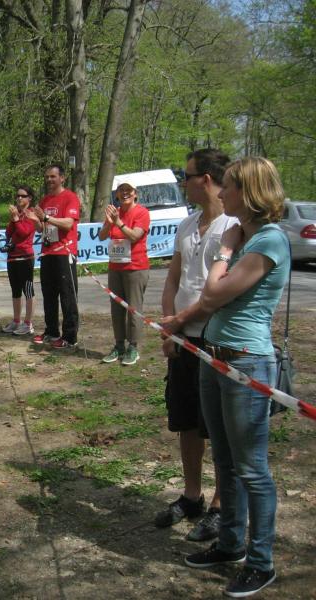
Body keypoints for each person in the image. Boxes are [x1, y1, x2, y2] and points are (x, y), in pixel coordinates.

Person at [162, 157, 289, 598]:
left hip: (245, 364)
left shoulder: (268, 240)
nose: (223, 191)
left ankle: (261, 562)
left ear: (249, 192)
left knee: (253, 469)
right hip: (212, 357)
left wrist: (225, 249)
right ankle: (231, 544)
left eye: (230, 185)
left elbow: (213, 292)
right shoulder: (245, 236)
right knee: (226, 461)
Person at [156, 149, 236, 541]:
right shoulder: (187, 224)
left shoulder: (234, 226)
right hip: (183, 336)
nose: (182, 183)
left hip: (216, 339)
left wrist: (180, 320)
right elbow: (174, 278)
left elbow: (222, 292)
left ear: (205, 179)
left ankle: (221, 505)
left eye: (185, 177)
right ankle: (192, 496)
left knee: (217, 426)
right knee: (186, 418)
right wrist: (170, 325)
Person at [98, 177, 150, 365]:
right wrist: (109, 223)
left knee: (133, 308)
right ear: (117, 194)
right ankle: (119, 345)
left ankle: (133, 347)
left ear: (135, 193)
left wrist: (118, 222)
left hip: (135, 267)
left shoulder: (142, 212)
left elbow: (135, 236)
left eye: (128, 190)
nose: (125, 193)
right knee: (116, 309)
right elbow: (102, 236)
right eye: (121, 190)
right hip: (115, 267)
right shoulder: (115, 212)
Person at [32, 164, 81, 349]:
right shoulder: (45, 200)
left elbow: (68, 224)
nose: (49, 180)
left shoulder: (70, 197)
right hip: (47, 252)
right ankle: (52, 331)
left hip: (64, 252)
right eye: (47, 177)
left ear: (62, 178)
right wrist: (35, 221)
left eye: (53, 176)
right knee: (49, 295)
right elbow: (42, 228)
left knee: (67, 296)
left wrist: (46, 218)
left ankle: (70, 337)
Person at [1, 185, 41, 336]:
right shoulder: (16, 214)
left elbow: (25, 233)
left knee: (28, 290)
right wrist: (14, 219)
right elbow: (9, 233)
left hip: (25, 257)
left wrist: (17, 220)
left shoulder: (31, 214)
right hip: (12, 256)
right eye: (17, 195)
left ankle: (28, 323)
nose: (19, 198)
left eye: (22, 196)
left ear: (29, 198)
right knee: (15, 290)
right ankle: (16, 320)